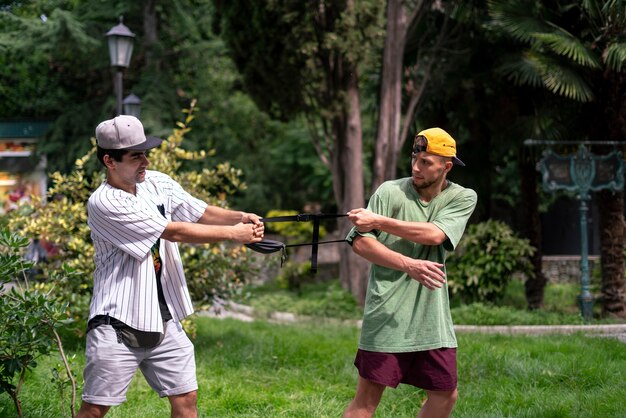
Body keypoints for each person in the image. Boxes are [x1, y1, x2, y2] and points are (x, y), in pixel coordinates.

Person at [76, 115, 265, 418]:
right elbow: (172, 231)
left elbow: (198, 211)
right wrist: (234, 235)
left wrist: (239, 217)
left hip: (162, 318)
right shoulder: (105, 202)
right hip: (118, 322)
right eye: (136, 155)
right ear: (109, 160)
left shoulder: (156, 182)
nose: (146, 161)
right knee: (95, 409)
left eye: (146, 152)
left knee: (186, 397)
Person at [343, 127, 477, 418]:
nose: (416, 167)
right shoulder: (390, 192)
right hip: (387, 313)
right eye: (414, 158)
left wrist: (377, 219)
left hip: (432, 320)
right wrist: (408, 265)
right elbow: (361, 243)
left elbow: (434, 235)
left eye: (426, 162)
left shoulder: (463, 197)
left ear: (447, 166)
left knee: (445, 395)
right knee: (365, 403)